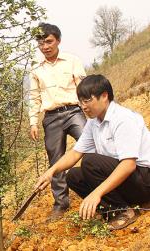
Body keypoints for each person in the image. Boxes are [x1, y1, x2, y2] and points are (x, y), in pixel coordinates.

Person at [35, 74, 150, 230]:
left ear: (104, 96)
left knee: (91, 162)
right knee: (73, 176)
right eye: (80, 102)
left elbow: (128, 165)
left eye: (87, 100)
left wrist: (96, 193)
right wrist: (51, 171)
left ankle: (124, 212)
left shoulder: (123, 119)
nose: (83, 106)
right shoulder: (93, 123)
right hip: (128, 181)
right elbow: (75, 153)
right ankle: (114, 209)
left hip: (143, 178)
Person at [28, 23, 87, 220]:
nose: (45, 46)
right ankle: (61, 203)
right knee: (55, 158)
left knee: (92, 143)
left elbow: (82, 86)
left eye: (49, 41)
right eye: (41, 42)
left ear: (58, 41)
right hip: (51, 117)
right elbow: (34, 96)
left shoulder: (72, 61)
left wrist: (90, 110)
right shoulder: (36, 69)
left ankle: (99, 187)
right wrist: (33, 122)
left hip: (73, 111)